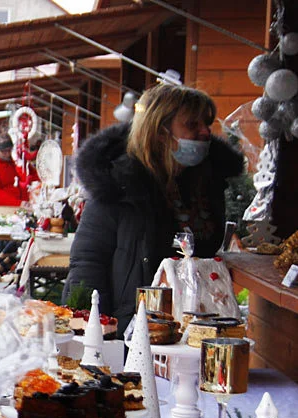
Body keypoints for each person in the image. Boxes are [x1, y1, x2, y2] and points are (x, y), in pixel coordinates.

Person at [63, 84, 244, 336]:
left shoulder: (208, 183)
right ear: (161, 132)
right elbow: (88, 262)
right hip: (130, 332)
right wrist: (92, 331)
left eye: (206, 123)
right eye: (192, 124)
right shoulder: (119, 183)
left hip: (193, 330)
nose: (205, 132)